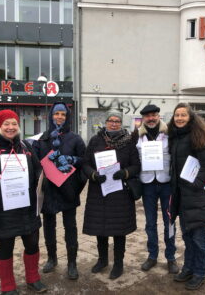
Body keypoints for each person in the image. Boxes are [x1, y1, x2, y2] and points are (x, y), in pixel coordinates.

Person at [0, 109, 47, 295]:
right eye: (6, 124)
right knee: (5, 248)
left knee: (32, 244)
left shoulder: (26, 148)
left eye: (13, 124)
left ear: (18, 126)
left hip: (28, 209)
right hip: (2, 211)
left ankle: (33, 278)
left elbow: (38, 170)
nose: (10, 127)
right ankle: (8, 286)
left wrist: (41, 180)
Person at [82, 109, 141, 280]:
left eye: (117, 121)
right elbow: (85, 163)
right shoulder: (95, 140)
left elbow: (136, 166)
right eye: (111, 120)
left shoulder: (129, 142)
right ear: (106, 122)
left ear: (121, 123)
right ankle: (102, 260)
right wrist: (93, 174)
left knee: (118, 230)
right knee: (100, 228)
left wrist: (125, 173)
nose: (114, 123)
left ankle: (118, 263)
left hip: (120, 192)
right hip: (98, 191)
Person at [168, 103, 205, 290]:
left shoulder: (198, 136)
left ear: (190, 118)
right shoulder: (175, 137)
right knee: (188, 236)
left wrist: (196, 185)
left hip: (197, 197)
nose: (179, 118)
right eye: (176, 115)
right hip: (181, 196)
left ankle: (200, 273)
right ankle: (188, 268)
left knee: (199, 238)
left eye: (183, 115)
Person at [32, 102, 86, 280]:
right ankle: (52, 258)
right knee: (49, 226)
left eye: (63, 114)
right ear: (51, 116)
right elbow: (36, 163)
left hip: (68, 188)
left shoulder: (75, 139)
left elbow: (84, 162)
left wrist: (71, 159)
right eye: (56, 114)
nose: (60, 117)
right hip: (48, 191)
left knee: (70, 226)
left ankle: (72, 263)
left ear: (68, 117)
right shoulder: (43, 139)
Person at [136, 104, 178, 274]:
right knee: (150, 223)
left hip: (166, 183)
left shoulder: (170, 134)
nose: (151, 118)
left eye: (154, 115)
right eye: (148, 116)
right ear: (143, 119)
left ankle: (171, 257)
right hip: (147, 184)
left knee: (170, 222)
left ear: (159, 116)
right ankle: (152, 256)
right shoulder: (136, 136)